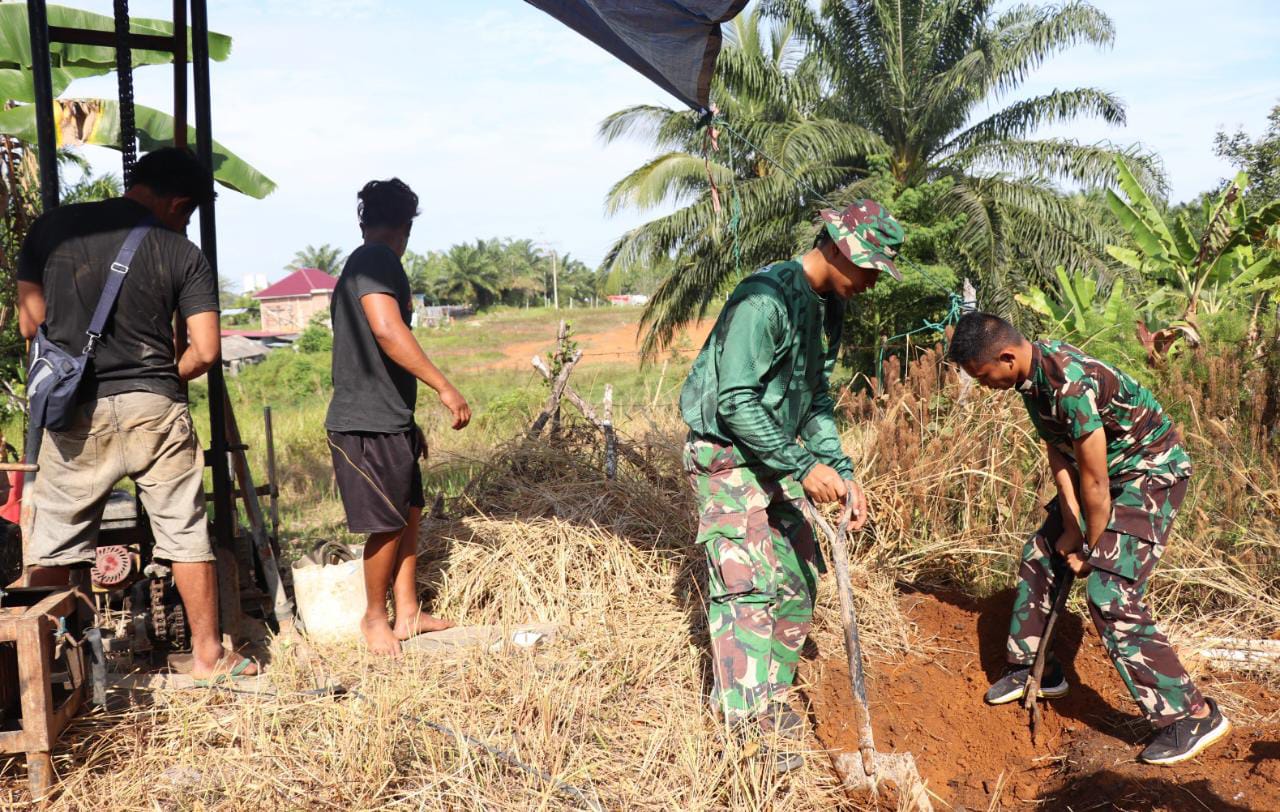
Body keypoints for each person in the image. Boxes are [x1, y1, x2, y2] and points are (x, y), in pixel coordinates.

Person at [679, 200, 905, 771]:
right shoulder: (765, 300)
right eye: (868, 267)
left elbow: (814, 402)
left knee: (801, 575)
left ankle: (770, 698)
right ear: (834, 247)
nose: (872, 281)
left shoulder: (828, 307)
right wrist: (802, 468)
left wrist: (842, 471)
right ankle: (748, 742)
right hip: (729, 457)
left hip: (777, 454)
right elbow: (735, 401)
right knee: (746, 589)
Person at [16, 147, 255, 684]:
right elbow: (207, 350)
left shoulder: (52, 230)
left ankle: (40, 673)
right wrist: (164, 374)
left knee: (54, 541)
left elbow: (31, 325)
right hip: (154, 406)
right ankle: (209, 658)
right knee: (183, 532)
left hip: (75, 408)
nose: (185, 222)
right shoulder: (181, 252)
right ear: (178, 202)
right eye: (187, 213)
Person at [947, 312, 1230, 765]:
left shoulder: (1070, 385)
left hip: (1148, 472)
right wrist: (1072, 529)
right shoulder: (1029, 378)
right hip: (1102, 474)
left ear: (1005, 356)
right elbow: (1059, 453)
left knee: (1108, 588)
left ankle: (1191, 715)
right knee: (1040, 553)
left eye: (983, 377)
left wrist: (1091, 552)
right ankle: (1034, 668)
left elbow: (1097, 485)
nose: (983, 386)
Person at [325, 178, 471, 657]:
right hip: (366, 421)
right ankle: (373, 617)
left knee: (408, 512)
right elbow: (387, 331)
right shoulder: (376, 260)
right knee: (386, 523)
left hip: (389, 417)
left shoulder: (366, 260)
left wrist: (409, 419)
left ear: (365, 219)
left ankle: (407, 612)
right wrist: (445, 387)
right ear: (404, 228)